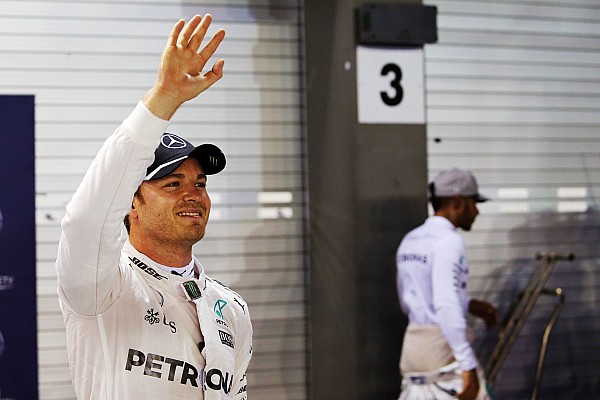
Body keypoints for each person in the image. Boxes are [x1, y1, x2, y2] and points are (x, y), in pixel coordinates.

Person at [55, 14, 252, 399]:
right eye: (172, 184)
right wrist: (164, 99)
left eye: (200, 184)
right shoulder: (102, 288)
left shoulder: (230, 307)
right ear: (131, 202)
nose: (193, 194)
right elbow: (84, 222)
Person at [395, 168, 498, 400]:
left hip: (413, 352)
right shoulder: (449, 242)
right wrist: (467, 365)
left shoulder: (410, 240)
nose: (477, 211)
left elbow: (411, 299)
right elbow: (445, 304)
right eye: (474, 202)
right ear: (459, 201)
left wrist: (470, 304)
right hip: (444, 357)